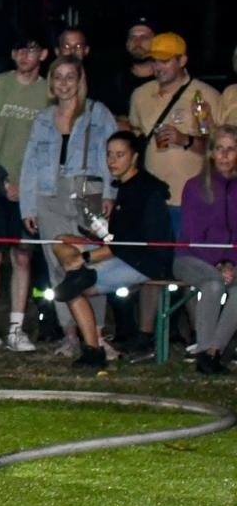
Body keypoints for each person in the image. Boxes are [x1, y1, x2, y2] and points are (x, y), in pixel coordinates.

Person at [20, 57, 116, 359]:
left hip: (89, 192)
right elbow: (30, 166)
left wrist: (111, 191)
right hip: (50, 195)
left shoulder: (97, 113)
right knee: (56, 265)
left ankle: (96, 334)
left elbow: (114, 153)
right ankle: (70, 334)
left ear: (80, 79)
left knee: (90, 264)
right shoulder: (43, 119)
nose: (64, 83)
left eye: (70, 76)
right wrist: (28, 206)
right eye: (58, 77)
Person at [48, 131, 173, 363]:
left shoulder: (144, 190)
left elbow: (127, 244)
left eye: (119, 155)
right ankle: (73, 270)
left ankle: (93, 350)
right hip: (122, 251)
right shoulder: (125, 187)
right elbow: (117, 237)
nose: (112, 160)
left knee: (72, 288)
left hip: (143, 260)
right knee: (60, 239)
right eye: (109, 155)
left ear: (135, 157)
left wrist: (86, 257)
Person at [0, 33, 50, 354]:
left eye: (30, 48)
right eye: (19, 48)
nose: (24, 55)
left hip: (28, 191)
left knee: (22, 256)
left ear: (43, 52)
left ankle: (17, 328)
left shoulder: (49, 92)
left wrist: (25, 186)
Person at [128, 33, 221, 234]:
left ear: (182, 60)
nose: (158, 67)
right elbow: (135, 135)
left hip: (188, 199)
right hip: (151, 198)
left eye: (165, 61)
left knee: (184, 261)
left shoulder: (202, 95)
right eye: (154, 60)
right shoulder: (140, 95)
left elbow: (215, 147)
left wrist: (184, 139)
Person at [170, 125, 237, 374]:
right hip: (191, 257)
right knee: (214, 284)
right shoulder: (195, 186)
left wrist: (229, 261)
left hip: (230, 262)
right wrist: (220, 263)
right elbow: (193, 235)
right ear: (210, 153)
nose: (224, 155)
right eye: (219, 149)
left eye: (231, 149)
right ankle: (204, 351)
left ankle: (213, 353)